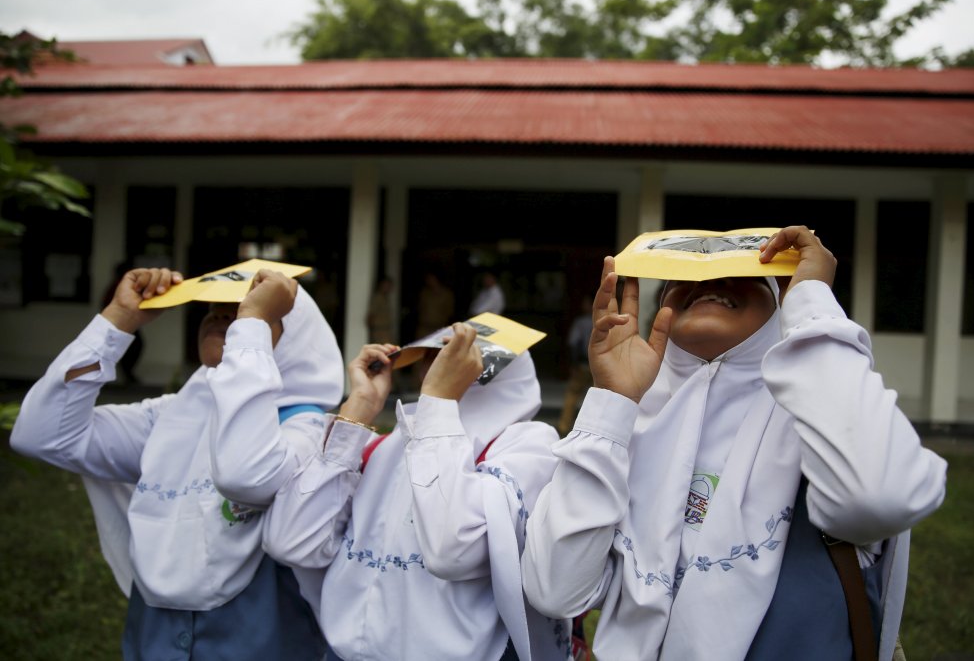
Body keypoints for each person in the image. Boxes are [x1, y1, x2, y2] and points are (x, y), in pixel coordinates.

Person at [521, 226, 948, 661]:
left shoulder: (821, 420)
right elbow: (555, 588)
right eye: (683, 276)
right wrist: (612, 402)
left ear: (781, 302)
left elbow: (881, 496)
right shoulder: (632, 429)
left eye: (744, 270)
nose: (710, 280)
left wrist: (812, 305)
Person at [10, 266, 343, 660]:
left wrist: (250, 327)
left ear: (294, 336)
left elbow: (245, 476)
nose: (221, 318)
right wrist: (120, 319)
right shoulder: (173, 416)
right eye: (213, 310)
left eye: (239, 310)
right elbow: (40, 433)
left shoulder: (310, 429)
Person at [261, 323, 571, 661]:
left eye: (447, 357)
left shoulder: (527, 446)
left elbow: (450, 550)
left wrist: (440, 403)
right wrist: (359, 408)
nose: (432, 368)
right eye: (429, 356)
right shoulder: (383, 448)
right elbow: (289, 542)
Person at [557, 297, 593, 436]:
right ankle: (590, 428)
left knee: (572, 394)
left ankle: (564, 425)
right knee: (595, 397)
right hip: (599, 365)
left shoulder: (581, 322)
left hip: (582, 363)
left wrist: (573, 363)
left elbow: (573, 343)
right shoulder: (606, 320)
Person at [415, 271, 455, 339]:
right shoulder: (425, 293)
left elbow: (449, 311)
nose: (428, 281)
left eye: (430, 278)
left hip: (439, 327)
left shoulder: (446, 294)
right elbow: (421, 307)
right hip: (424, 326)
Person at [366, 276, 395, 343]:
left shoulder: (385, 298)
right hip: (379, 331)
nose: (389, 288)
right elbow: (371, 316)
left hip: (386, 330)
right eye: (386, 285)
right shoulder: (377, 298)